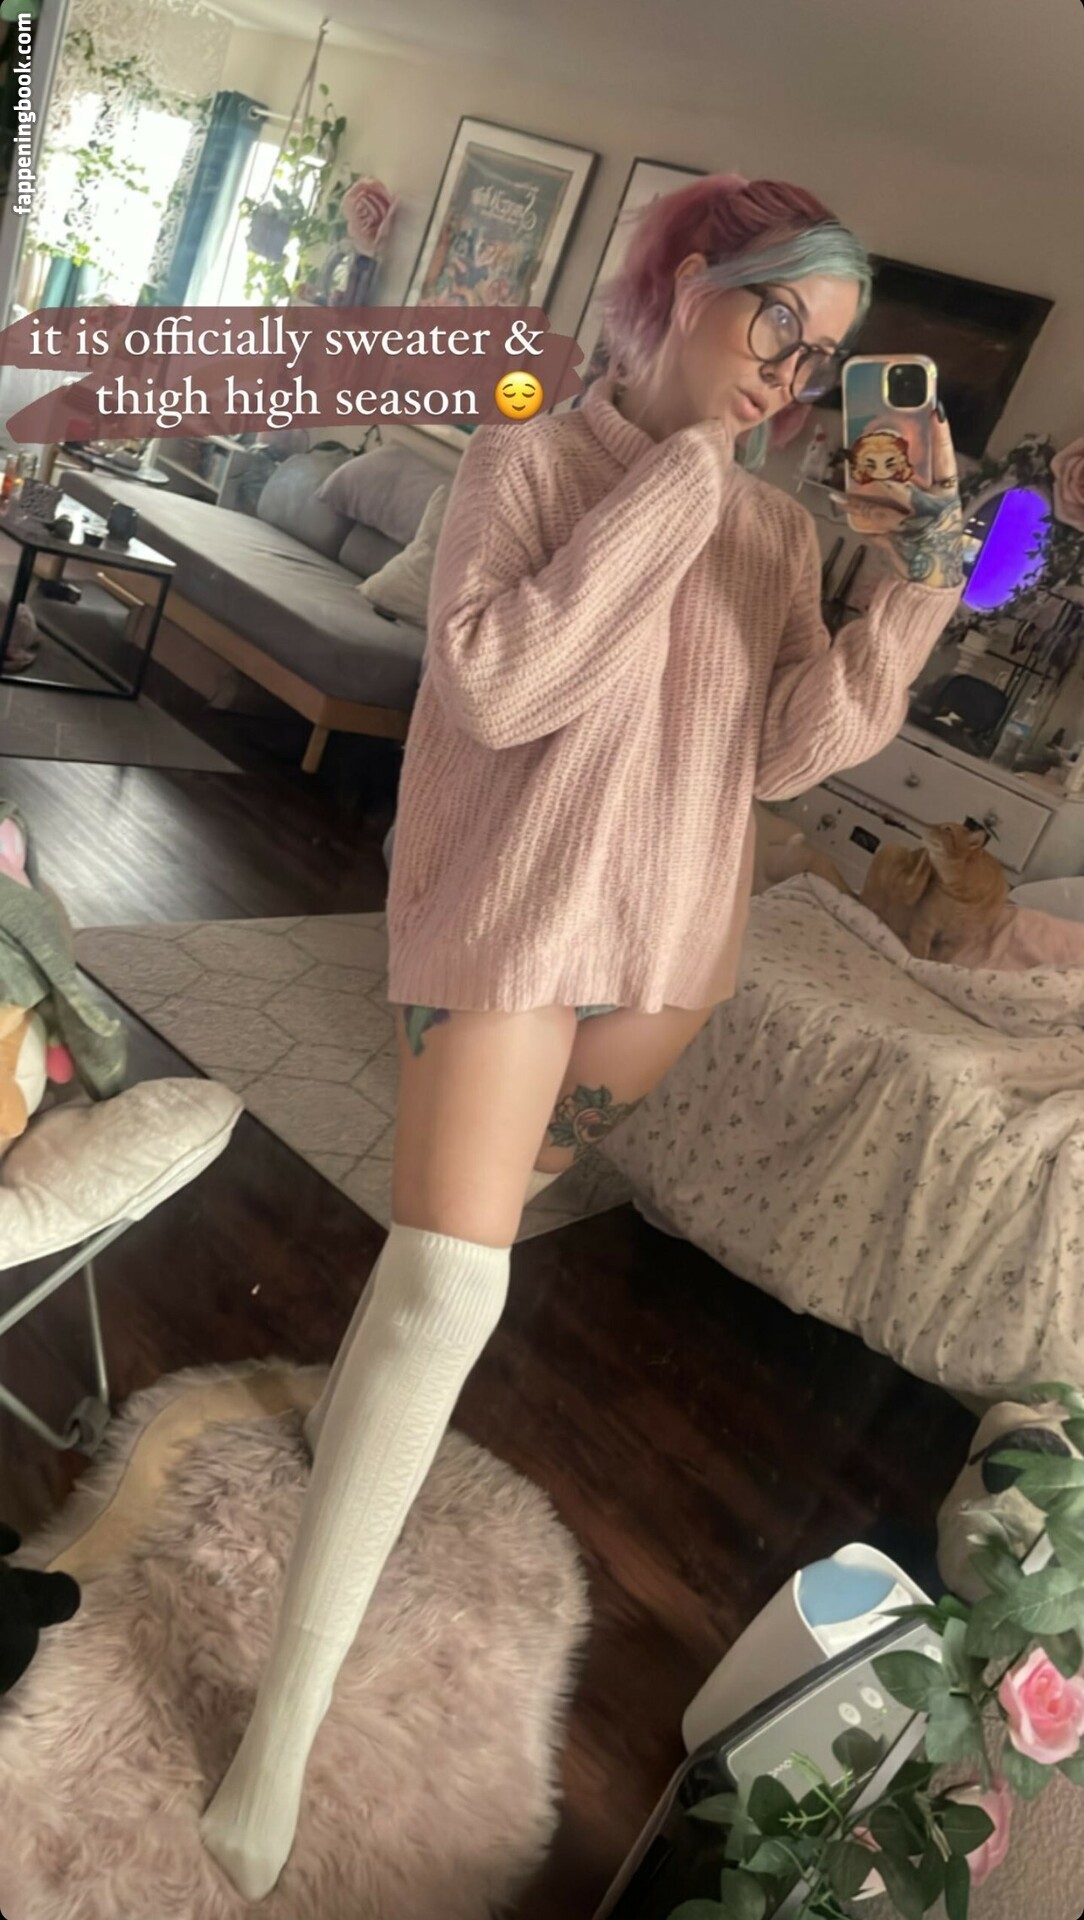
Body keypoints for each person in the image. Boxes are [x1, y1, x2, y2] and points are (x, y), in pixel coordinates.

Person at [199, 171, 964, 1899]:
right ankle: (287, 1716)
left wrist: (915, 586)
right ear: (690, 276)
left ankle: (360, 1429)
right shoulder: (527, 461)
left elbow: (784, 754)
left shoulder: (780, 539)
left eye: (824, 356)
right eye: (781, 320)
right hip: (515, 926)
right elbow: (500, 686)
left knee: (459, 1257)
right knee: (448, 1285)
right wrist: (684, 470)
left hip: (669, 959)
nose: (792, 371)